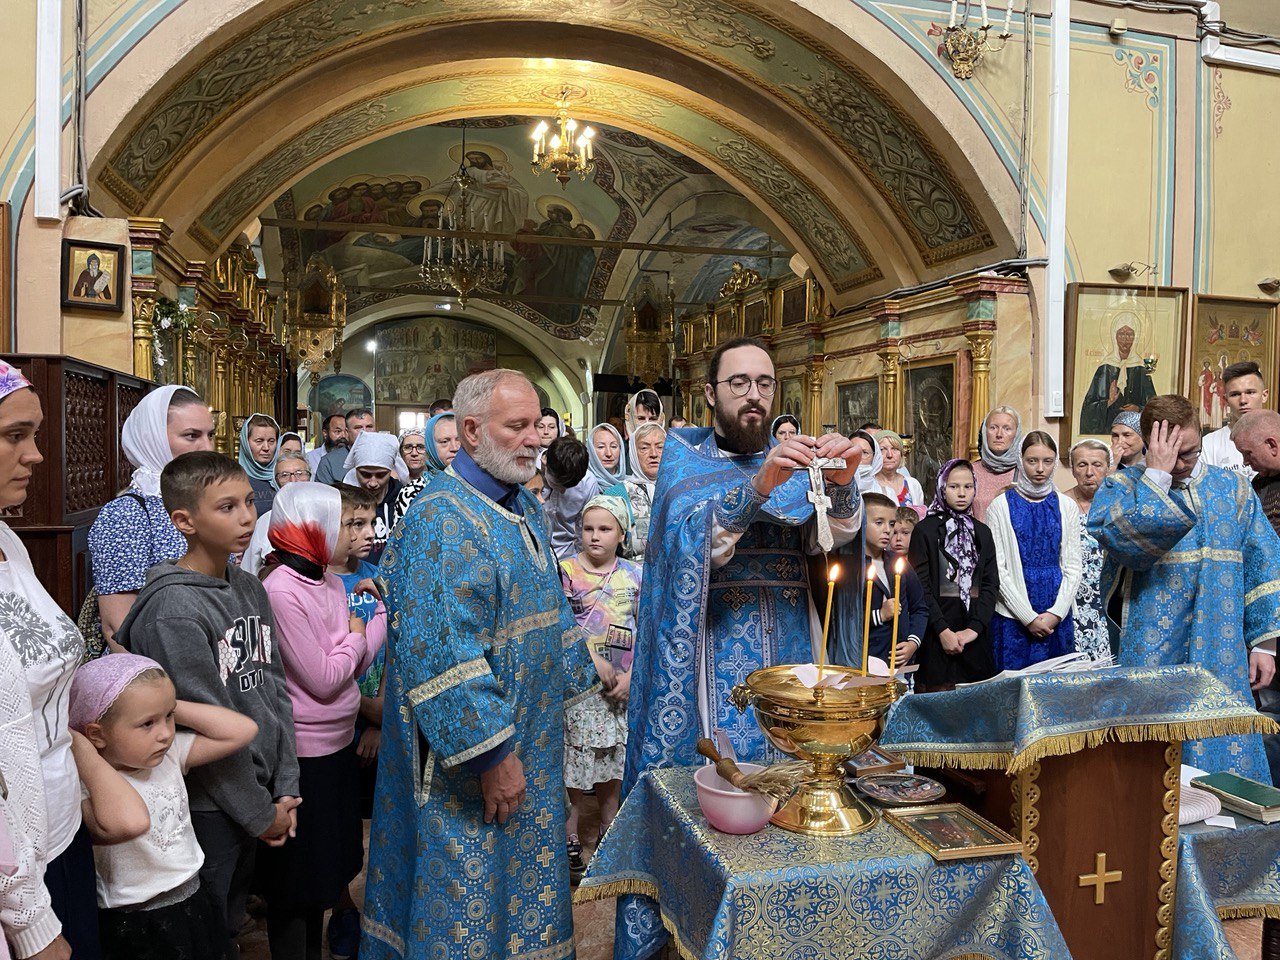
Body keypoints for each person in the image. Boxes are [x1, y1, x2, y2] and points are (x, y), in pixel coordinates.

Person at [620, 337, 861, 960]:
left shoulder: (801, 458)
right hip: (709, 657)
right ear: (711, 394)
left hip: (791, 646)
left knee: (795, 799)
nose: (754, 396)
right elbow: (686, 545)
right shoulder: (681, 459)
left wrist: (842, 482)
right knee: (717, 812)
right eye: (739, 384)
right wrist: (757, 486)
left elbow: (825, 545)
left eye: (764, 383)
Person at [361, 370, 599, 960]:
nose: (533, 440)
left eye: (537, 426)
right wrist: (492, 755)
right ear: (471, 430)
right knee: (465, 895)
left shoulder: (522, 506)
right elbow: (440, 653)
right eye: (516, 427)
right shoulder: (442, 519)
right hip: (465, 770)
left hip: (532, 745)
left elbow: (548, 607)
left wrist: (589, 673)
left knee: (517, 893)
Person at [113, 451, 300, 960]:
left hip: (258, 790)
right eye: (226, 507)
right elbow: (202, 732)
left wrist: (286, 784)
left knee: (234, 918)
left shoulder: (246, 585)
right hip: (209, 802)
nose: (246, 518)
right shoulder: (174, 610)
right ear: (184, 521)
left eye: (248, 503)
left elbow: (274, 689)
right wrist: (261, 814)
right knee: (208, 931)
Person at [1091, 396, 1280, 781]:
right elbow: (1125, 544)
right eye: (1169, 454)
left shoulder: (1234, 489)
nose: (1180, 464)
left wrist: (1265, 644)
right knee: (1148, 764)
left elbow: (1265, 563)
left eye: (1189, 453)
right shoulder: (1122, 486)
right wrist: (1156, 478)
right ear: (1149, 446)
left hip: (1221, 649)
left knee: (1225, 754)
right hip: (1152, 649)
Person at [260, 482, 385, 960]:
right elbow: (326, 677)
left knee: (329, 870)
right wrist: (357, 632)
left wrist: (372, 618)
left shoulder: (331, 582)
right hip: (305, 753)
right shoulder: (281, 591)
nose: (354, 534)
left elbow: (353, 657)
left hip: (337, 745)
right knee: (297, 884)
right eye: (342, 523)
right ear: (310, 529)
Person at [68, 654, 257, 960]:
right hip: (136, 923)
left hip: (195, 899)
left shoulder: (168, 756)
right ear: (96, 734)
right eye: (147, 723)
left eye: (168, 717)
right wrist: (82, 750)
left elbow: (241, 730)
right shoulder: (88, 785)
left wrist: (161, 702)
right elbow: (129, 822)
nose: (166, 733)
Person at [0, 362, 92, 960]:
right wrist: (29, 921)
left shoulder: (8, 542)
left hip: (60, 832)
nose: (35, 455)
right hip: (17, 880)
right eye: (14, 436)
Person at [89, 385, 216, 647]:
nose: (207, 447)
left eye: (210, 435)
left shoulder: (204, 500)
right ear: (153, 438)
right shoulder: (126, 515)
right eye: (191, 435)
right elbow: (118, 628)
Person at [560, 495, 641, 878]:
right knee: (575, 762)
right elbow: (557, 625)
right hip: (578, 689)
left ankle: (610, 827)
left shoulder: (635, 575)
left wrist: (631, 676)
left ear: (621, 534)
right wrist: (590, 658)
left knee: (612, 761)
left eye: (605, 529)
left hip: (618, 690)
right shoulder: (565, 571)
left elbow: (647, 629)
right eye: (588, 528)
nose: (595, 536)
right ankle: (570, 831)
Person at [323, 484, 383, 960]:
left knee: (376, 822)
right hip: (333, 725)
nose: (366, 534)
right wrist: (363, 709)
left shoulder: (377, 580)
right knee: (337, 828)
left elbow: (397, 652)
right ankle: (344, 909)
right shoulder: (316, 584)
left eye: (370, 522)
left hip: (377, 728)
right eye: (353, 524)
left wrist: (380, 720)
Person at [985, 432, 1081, 671]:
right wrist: (1027, 616)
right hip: (1013, 612)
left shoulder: (1066, 505)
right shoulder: (1000, 506)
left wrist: (1056, 613)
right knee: (1013, 690)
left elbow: (1072, 566)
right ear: (1020, 459)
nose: (1040, 468)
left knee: (1056, 690)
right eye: (1032, 460)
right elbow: (998, 568)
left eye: (1047, 461)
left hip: (1055, 611)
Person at [909, 460, 1000, 691]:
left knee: (976, 709)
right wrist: (942, 630)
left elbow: (990, 584)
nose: (962, 493)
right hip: (937, 634)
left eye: (968, 487)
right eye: (953, 486)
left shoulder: (982, 532)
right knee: (937, 705)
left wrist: (974, 629)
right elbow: (921, 587)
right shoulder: (925, 530)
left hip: (974, 635)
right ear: (941, 487)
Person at [831, 492, 927, 671]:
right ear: (861, 522)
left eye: (891, 524)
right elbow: (843, 619)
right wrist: (880, 615)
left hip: (899, 664)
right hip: (864, 663)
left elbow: (919, 607)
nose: (888, 530)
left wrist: (913, 643)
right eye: (879, 522)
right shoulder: (849, 567)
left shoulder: (899, 563)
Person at [1063, 439, 1113, 662]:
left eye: (1097, 465)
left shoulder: (1118, 503)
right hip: (1070, 600)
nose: (1089, 472)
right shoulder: (1060, 503)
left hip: (1107, 598)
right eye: (1082, 465)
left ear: (1108, 468)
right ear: (1072, 469)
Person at [1080, 314, 1157, 434]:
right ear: (1114, 336)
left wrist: (1138, 409)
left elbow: (1154, 407)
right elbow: (1087, 411)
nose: (1125, 339)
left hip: (1135, 431)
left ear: (1135, 337)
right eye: (1121, 334)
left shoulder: (1141, 369)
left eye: (1130, 334)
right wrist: (1108, 402)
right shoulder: (1104, 368)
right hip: (1107, 430)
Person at [241, 455, 312, 576]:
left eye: (300, 473)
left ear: (311, 477)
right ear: (276, 482)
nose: (293, 480)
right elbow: (248, 569)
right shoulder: (266, 521)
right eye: (284, 475)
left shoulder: (326, 515)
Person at [340, 431, 402, 567]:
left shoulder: (403, 500)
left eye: (381, 475)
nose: (373, 483)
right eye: (365, 474)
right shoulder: (342, 502)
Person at [1202, 360, 1268, 479]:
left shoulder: (1276, 439)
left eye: (1250, 392)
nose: (1243, 400)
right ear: (1225, 400)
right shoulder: (1208, 445)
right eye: (1235, 394)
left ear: (1264, 396)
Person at [390, 413, 457, 526]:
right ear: (431, 446)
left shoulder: (476, 484)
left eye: (459, 440)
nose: (454, 447)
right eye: (444, 441)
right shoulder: (412, 492)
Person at [545, 436, 602, 562]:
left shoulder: (588, 482)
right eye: (558, 484)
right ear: (546, 463)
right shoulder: (530, 475)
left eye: (569, 486)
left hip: (569, 556)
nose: (563, 491)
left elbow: (586, 525)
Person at [621, 421, 665, 562]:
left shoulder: (680, 489)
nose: (653, 454)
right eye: (644, 448)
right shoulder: (618, 493)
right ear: (633, 452)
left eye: (660, 447)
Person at [971, 406, 1023, 521]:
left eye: (1007, 429)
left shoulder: (1026, 473)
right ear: (984, 432)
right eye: (993, 428)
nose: (999, 434)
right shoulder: (970, 471)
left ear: (1016, 434)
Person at [315, 409, 374, 485]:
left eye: (369, 426)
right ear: (347, 432)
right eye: (358, 427)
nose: (365, 431)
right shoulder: (329, 462)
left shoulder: (386, 455)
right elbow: (322, 495)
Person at [238, 414, 280, 516]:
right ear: (246, 443)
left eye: (271, 441)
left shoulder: (285, 475)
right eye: (259, 441)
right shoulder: (234, 478)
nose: (266, 447)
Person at [872, 430, 925, 510]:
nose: (889, 455)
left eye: (895, 449)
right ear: (874, 454)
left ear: (901, 454)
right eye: (882, 449)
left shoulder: (913, 485)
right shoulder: (869, 485)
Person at [588, 422, 628, 495]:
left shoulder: (632, 486)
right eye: (601, 447)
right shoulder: (583, 486)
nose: (608, 453)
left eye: (613, 446)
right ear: (591, 450)